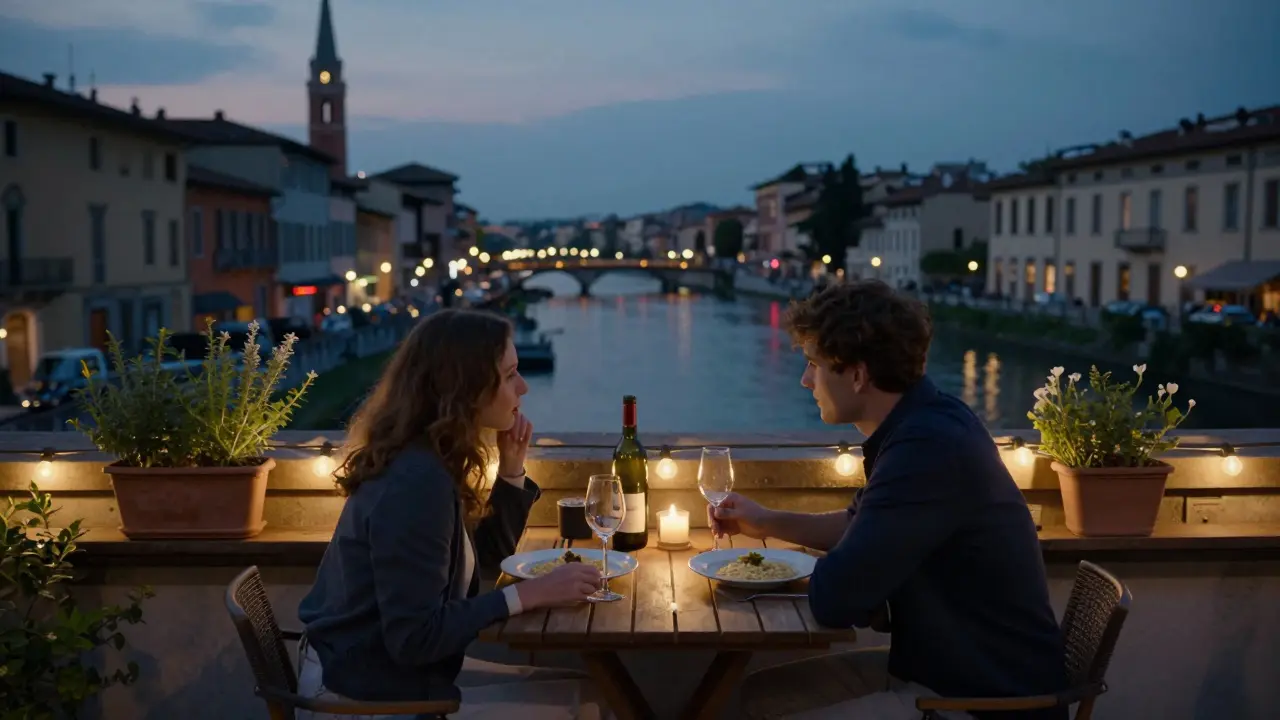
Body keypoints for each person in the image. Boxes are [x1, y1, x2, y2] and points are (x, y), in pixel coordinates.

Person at [712, 281, 1067, 720]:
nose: (806, 380)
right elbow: (857, 526)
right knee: (761, 696)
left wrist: (845, 575)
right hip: (944, 672)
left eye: (813, 365)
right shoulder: (930, 421)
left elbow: (837, 600)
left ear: (858, 375)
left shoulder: (929, 449)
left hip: (986, 701)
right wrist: (765, 521)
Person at [296, 309, 611, 720]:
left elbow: (483, 558)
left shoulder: (426, 459)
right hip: (356, 696)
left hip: (378, 673)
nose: (523, 387)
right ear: (469, 388)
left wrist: (511, 470)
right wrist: (529, 594)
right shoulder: (415, 482)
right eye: (510, 374)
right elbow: (413, 636)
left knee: (590, 693)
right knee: (585, 707)